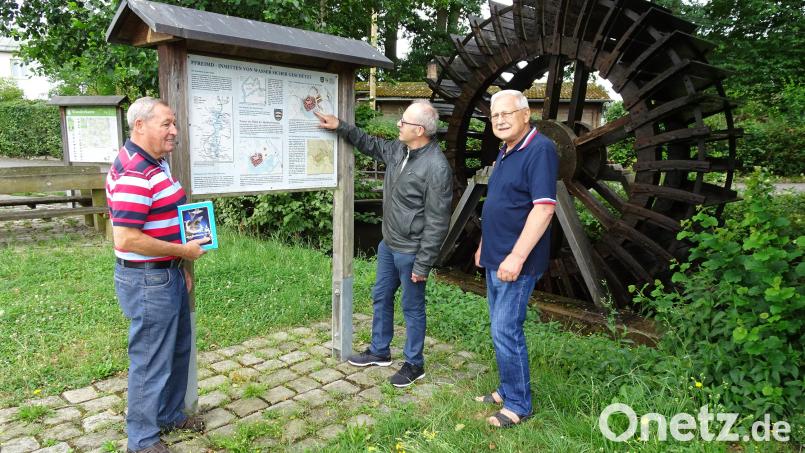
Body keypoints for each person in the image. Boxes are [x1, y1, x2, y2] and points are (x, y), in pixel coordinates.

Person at [315, 100, 452, 387]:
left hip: (412, 251)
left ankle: (414, 364)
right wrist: (340, 126)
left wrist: (423, 263)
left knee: (412, 307)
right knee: (381, 295)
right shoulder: (399, 150)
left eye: (403, 122)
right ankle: (380, 351)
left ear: (419, 130)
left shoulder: (436, 166)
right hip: (389, 245)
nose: (397, 125)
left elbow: (438, 221)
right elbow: (370, 143)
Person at [107, 97, 209, 453]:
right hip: (148, 279)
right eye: (166, 124)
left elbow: (164, 218)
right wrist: (184, 253)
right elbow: (127, 238)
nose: (174, 131)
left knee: (177, 350)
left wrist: (180, 267)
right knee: (150, 361)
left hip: (166, 274)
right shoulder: (136, 172)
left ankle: (168, 415)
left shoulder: (156, 164)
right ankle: (143, 439)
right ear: (140, 126)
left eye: (174, 123)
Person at [474, 90, 558, 428]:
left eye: (507, 113)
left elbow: (544, 208)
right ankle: (507, 388)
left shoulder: (540, 149)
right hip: (497, 255)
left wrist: (516, 256)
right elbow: (499, 201)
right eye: (495, 116)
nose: (500, 120)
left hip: (516, 262)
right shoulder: (506, 150)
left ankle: (519, 404)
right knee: (499, 329)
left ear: (526, 115)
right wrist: (484, 243)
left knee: (506, 330)